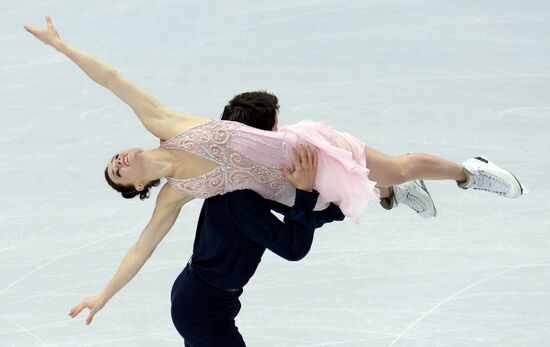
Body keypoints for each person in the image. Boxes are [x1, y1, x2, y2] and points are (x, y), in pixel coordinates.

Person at [24, 17, 525, 224]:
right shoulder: (173, 194)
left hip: (297, 150)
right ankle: (390, 192)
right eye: (117, 173)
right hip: (290, 189)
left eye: (113, 159)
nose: (119, 161)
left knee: (393, 165)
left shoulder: (161, 121)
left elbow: (110, 78)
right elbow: (140, 251)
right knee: (361, 188)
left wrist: (61, 45)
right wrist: (102, 296)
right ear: (136, 189)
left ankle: (467, 171)